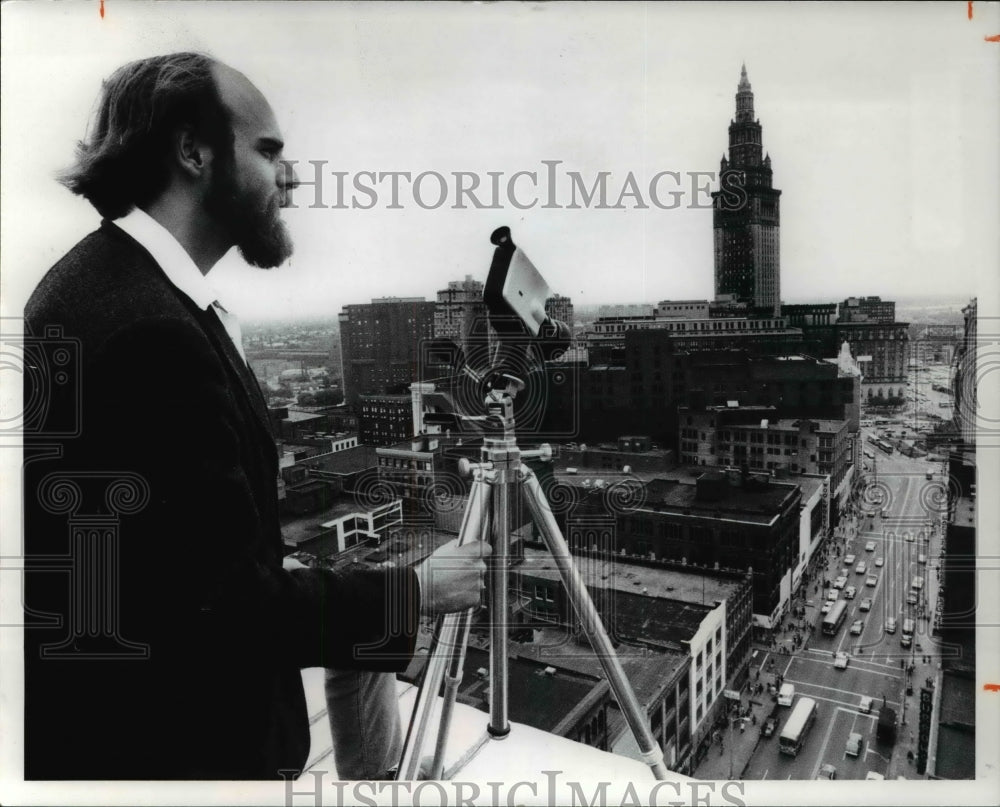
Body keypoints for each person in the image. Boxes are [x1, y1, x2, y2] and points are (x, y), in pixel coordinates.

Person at [22, 53, 489, 780]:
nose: (291, 176)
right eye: (269, 150)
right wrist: (421, 590)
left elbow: (150, 566)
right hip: (177, 753)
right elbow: (228, 615)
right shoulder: (153, 331)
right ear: (193, 151)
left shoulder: (90, 283)